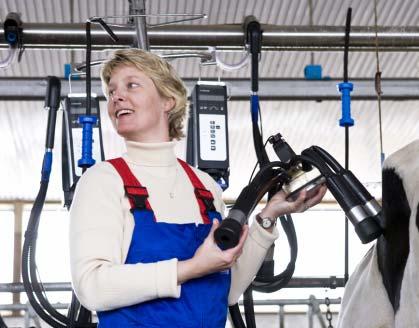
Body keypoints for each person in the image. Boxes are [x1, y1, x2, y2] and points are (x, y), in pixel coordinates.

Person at [69, 48, 327, 328]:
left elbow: (226, 290)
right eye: (111, 91)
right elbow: (91, 287)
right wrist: (192, 268)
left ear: (168, 100)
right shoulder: (104, 180)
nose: (117, 96)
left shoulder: (204, 187)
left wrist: (268, 217)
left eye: (132, 85)